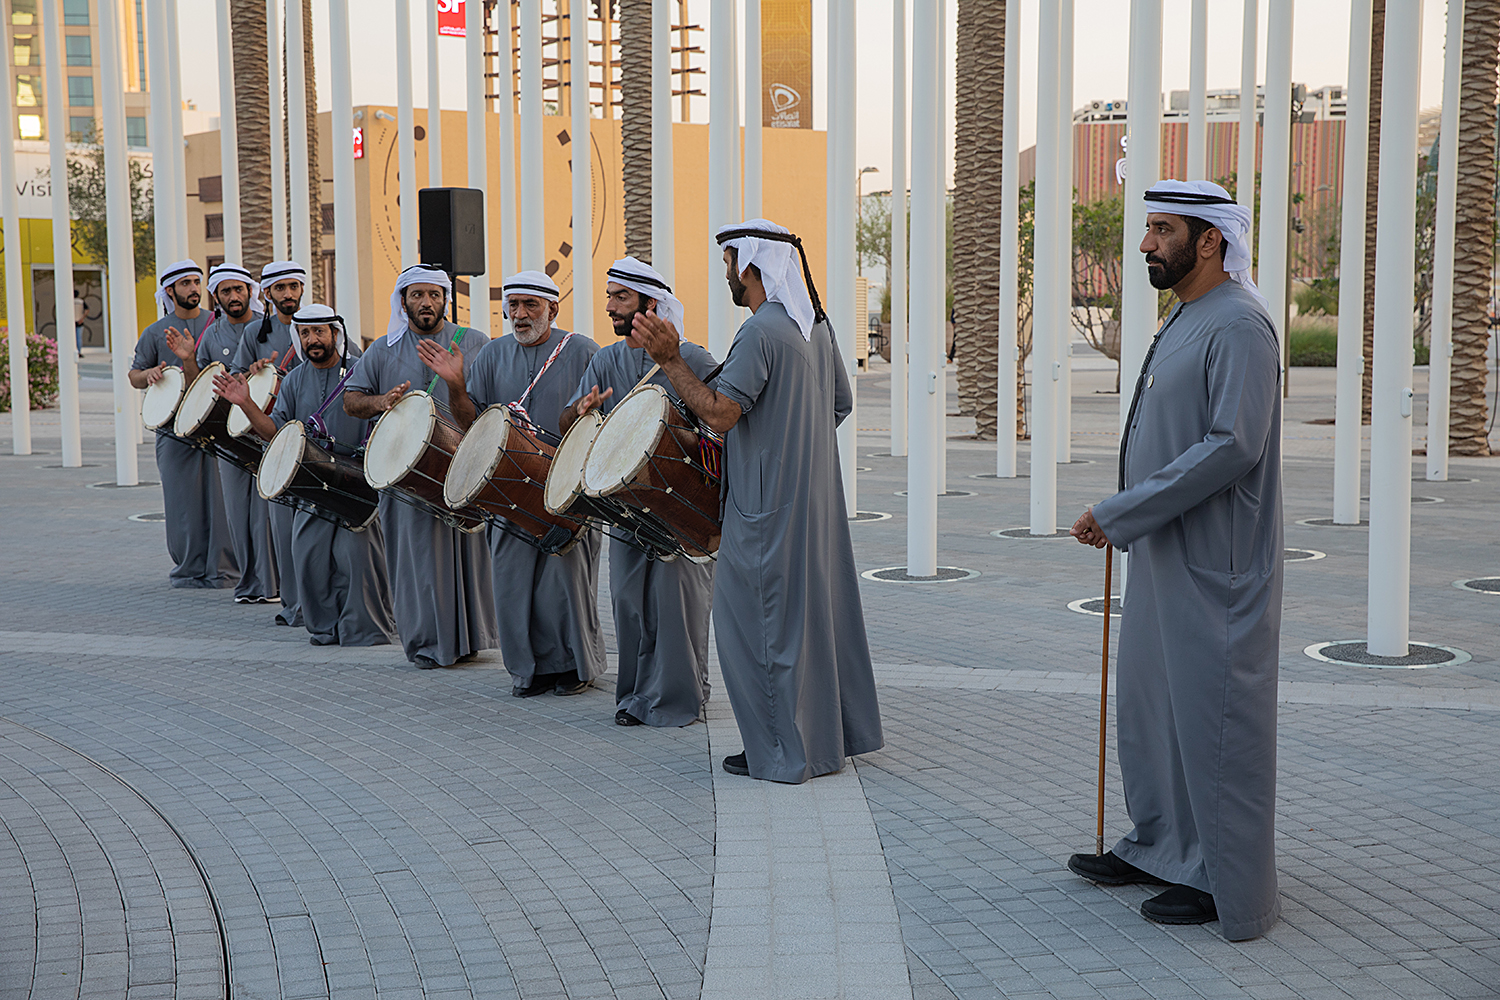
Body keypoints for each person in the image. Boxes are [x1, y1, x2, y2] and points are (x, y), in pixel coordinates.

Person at [1067, 179, 1283, 941]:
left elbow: (1232, 446)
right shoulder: (1191, 316)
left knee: (1213, 721)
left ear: (1210, 240)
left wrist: (1120, 512)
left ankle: (1228, 882)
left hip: (1211, 566)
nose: (1146, 244)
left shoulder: (1241, 325)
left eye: (1160, 230)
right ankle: (1163, 848)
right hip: (1164, 556)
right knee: (1153, 709)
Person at [630, 219, 883, 783]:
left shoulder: (761, 331)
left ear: (749, 265)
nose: (725, 274)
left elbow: (721, 412)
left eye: (727, 263)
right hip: (814, 503)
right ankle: (819, 741)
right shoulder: (816, 326)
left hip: (763, 509)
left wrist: (672, 362)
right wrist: (790, 441)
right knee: (809, 624)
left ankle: (778, 751)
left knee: (758, 627)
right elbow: (838, 405)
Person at [561, 257, 717, 726]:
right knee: (628, 602)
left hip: (679, 506)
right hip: (625, 507)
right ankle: (633, 698)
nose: (609, 305)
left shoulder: (697, 358)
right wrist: (582, 412)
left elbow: (721, 422)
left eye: (620, 296)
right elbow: (568, 422)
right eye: (609, 295)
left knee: (676, 603)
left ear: (652, 304)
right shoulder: (605, 359)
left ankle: (680, 696)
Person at [216, 305, 397, 647]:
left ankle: (365, 630)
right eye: (305, 333)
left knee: (356, 559)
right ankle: (325, 628)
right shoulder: (295, 379)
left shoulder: (357, 373)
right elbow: (277, 431)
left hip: (353, 484)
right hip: (312, 486)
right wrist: (245, 403)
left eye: (319, 332)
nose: (313, 340)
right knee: (308, 555)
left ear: (335, 334)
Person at [344, 265, 497, 668]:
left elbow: (493, 405)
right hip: (404, 477)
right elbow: (351, 400)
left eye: (433, 295)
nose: (425, 303)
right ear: (403, 300)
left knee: (467, 556)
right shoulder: (383, 349)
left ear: (446, 298)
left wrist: (457, 384)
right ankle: (427, 643)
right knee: (416, 560)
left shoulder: (476, 343)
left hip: (461, 467)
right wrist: (380, 403)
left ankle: (470, 638)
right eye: (416, 295)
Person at [465, 270, 606, 698]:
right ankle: (528, 671)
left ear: (552, 309)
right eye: (514, 306)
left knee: (563, 583)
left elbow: (603, 415)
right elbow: (471, 421)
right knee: (512, 582)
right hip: (508, 491)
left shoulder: (583, 350)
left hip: (567, 488)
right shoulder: (490, 356)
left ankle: (574, 667)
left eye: (531, 305)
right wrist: (455, 384)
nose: (520, 314)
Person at [127, 260, 237, 588]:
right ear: (170, 291)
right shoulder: (155, 332)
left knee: (219, 502)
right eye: (185, 283)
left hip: (215, 428)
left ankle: (224, 570)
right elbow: (134, 375)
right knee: (181, 503)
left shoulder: (217, 326)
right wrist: (149, 375)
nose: (192, 288)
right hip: (172, 432)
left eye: (195, 282)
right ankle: (188, 569)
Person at [197, 263, 279, 605]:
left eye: (239, 289)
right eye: (226, 291)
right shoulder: (210, 335)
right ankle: (249, 582)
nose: (234, 296)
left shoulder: (266, 328)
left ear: (251, 292)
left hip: (266, 432)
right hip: (230, 435)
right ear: (216, 296)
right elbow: (204, 383)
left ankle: (272, 583)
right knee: (237, 510)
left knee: (264, 512)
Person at [233, 260, 307, 625]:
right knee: (281, 524)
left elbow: (350, 365)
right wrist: (253, 372)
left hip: (314, 441)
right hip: (272, 435)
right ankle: (292, 604)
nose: (288, 294)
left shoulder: (320, 326)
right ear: (268, 294)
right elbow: (236, 380)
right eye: (281, 288)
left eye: (294, 287)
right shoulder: (253, 334)